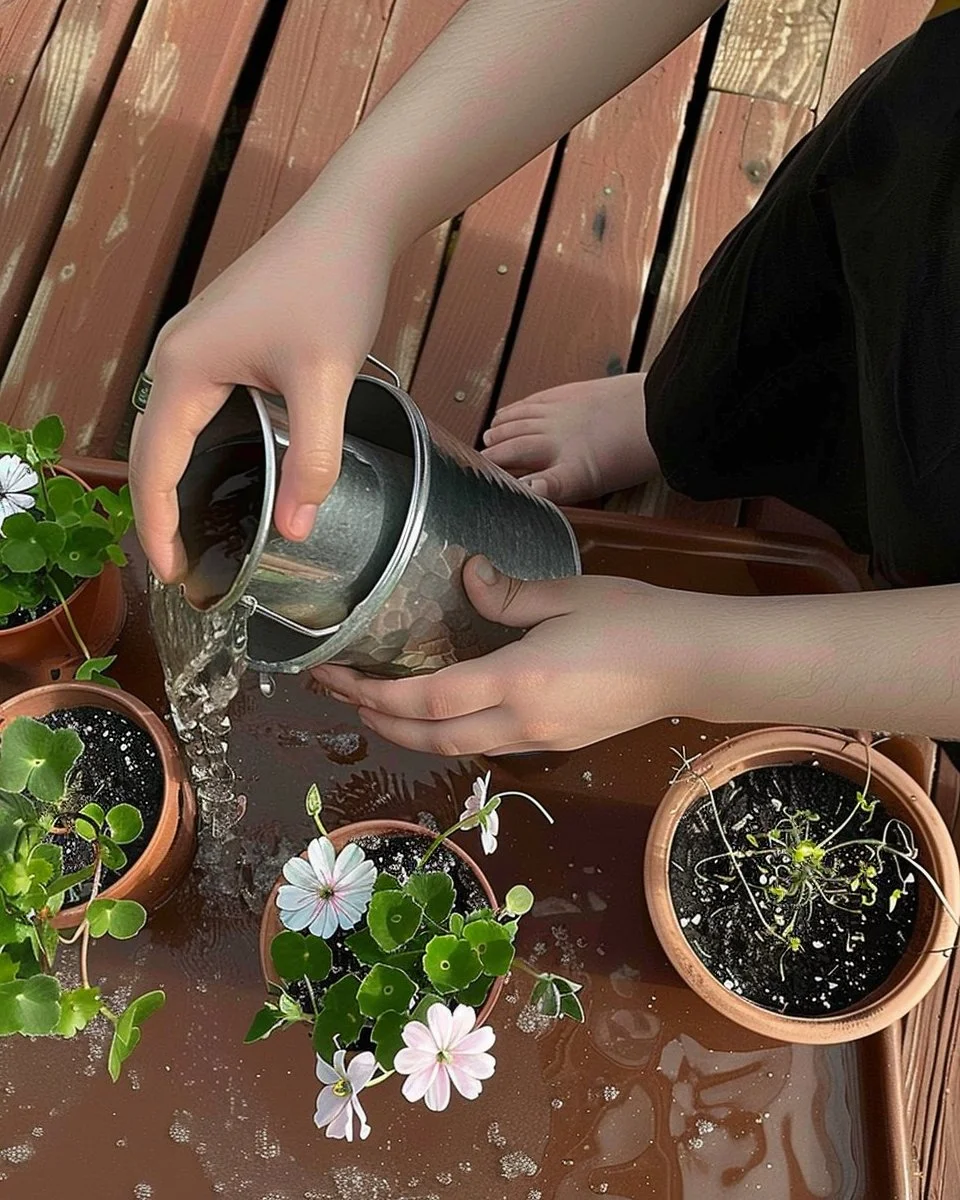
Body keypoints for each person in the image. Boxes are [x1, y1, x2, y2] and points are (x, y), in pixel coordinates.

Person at [129, 0, 960, 759]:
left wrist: (691, 661)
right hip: (931, 175)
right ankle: (673, 414)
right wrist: (353, 211)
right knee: (778, 343)